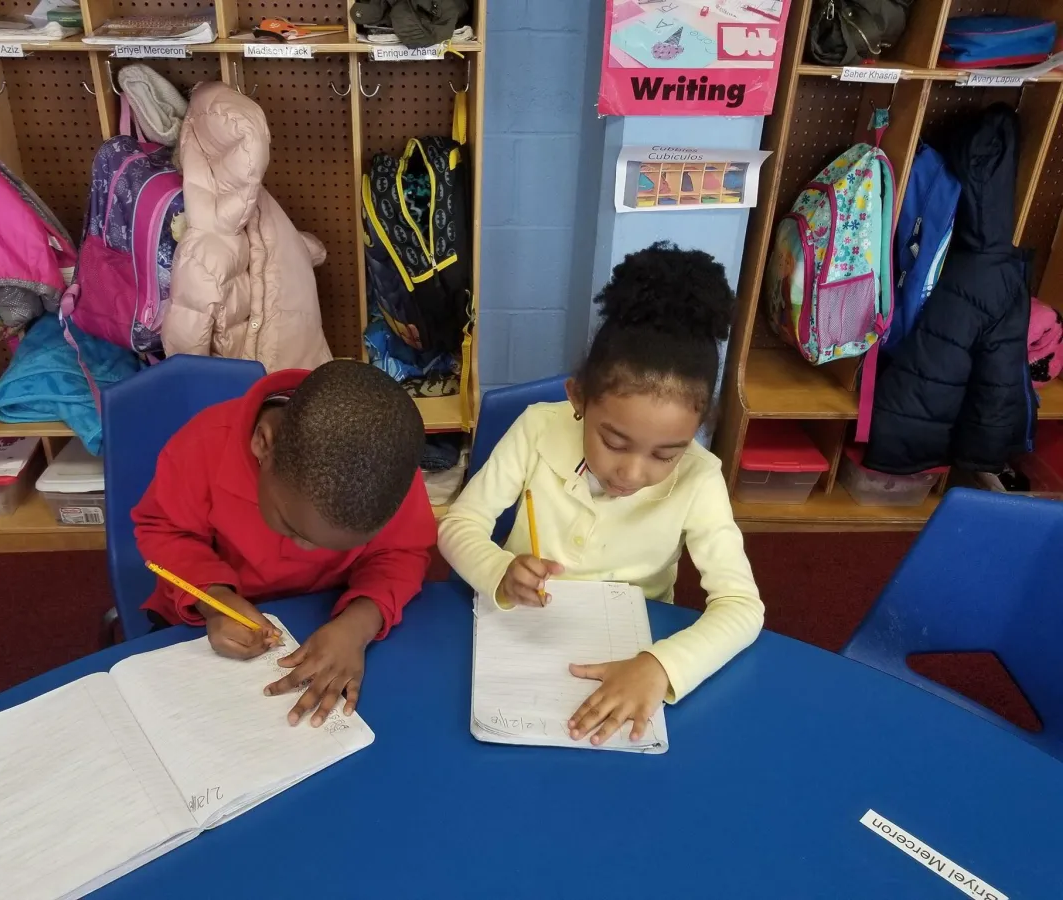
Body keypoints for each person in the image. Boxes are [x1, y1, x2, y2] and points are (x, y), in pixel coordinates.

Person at [438, 242, 763, 746]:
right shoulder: (537, 429)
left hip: (636, 642)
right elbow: (459, 525)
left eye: (665, 454)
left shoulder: (700, 478)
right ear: (578, 398)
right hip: (523, 631)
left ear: (698, 431)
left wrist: (661, 665)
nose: (631, 472)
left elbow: (742, 607)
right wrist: (499, 570)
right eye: (614, 441)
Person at [134, 360, 437, 728]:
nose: (308, 550)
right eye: (294, 528)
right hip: (212, 617)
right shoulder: (202, 446)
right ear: (263, 444)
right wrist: (212, 598)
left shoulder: (385, 474)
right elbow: (163, 530)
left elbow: (402, 552)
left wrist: (358, 625)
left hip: (331, 622)